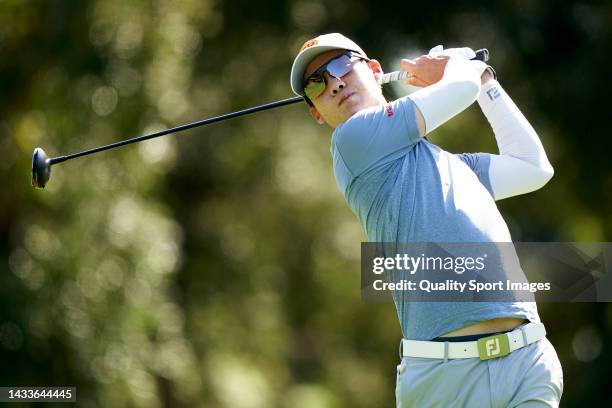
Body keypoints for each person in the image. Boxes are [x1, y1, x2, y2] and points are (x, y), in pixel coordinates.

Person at [289, 33, 564, 407]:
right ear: (317, 112)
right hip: (445, 378)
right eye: (316, 83)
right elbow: (458, 89)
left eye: (341, 65)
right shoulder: (352, 141)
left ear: (372, 70)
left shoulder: (453, 165)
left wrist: (486, 82)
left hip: (526, 358)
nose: (334, 82)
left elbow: (533, 167)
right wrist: (460, 66)